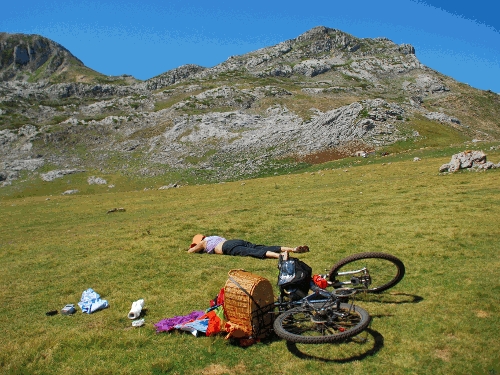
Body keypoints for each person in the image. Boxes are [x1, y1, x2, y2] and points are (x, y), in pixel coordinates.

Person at [187, 234, 309, 259]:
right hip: (234, 241)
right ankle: (293, 249)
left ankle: (280, 256)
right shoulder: (214, 237)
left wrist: (191, 248)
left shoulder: (204, 242)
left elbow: (191, 251)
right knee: (261, 247)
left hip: (227, 247)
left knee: (252, 252)